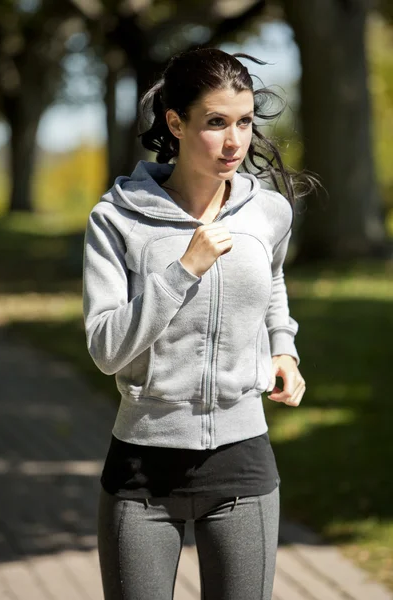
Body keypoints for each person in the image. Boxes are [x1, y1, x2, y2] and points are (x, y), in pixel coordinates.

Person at [82, 47, 311, 600]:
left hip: (243, 465)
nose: (235, 142)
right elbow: (105, 347)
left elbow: (272, 282)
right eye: (215, 123)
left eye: (244, 122)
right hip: (141, 473)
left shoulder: (268, 213)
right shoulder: (117, 220)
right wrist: (184, 270)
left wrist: (284, 349)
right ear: (176, 123)